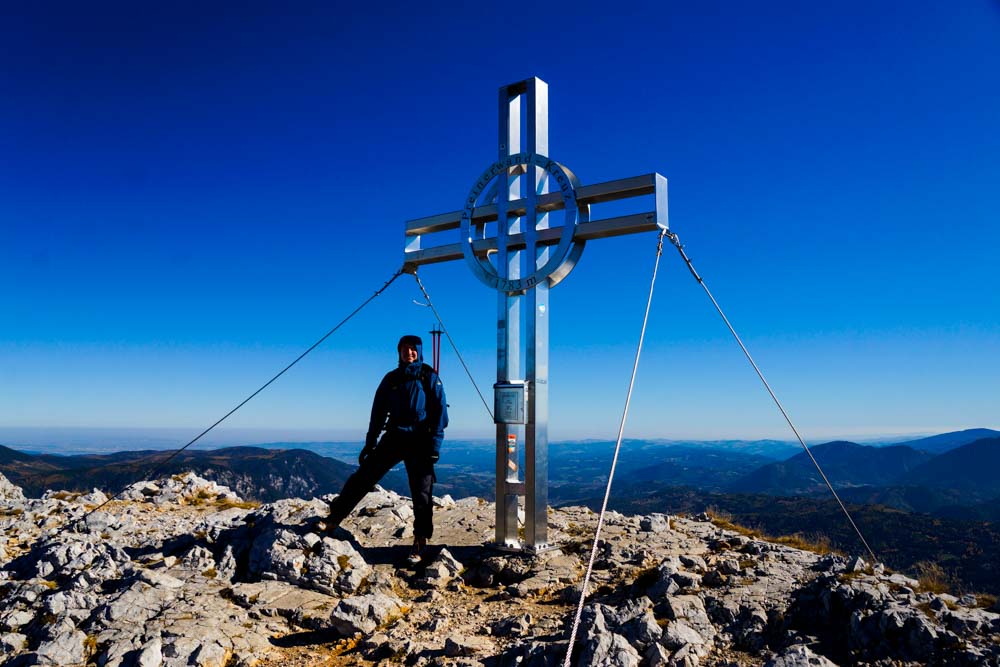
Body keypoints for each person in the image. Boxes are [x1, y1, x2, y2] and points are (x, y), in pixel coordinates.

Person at [326, 334, 448, 563]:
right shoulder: (391, 379)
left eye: (413, 349)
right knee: (363, 476)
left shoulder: (429, 376)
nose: (409, 352)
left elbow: (440, 412)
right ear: (399, 352)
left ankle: (420, 541)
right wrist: (370, 442)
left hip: (420, 440)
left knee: (422, 493)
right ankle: (334, 517)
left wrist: (434, 445)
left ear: (419, 352)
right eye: (405, 349)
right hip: (394, 437)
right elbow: (378, 413)